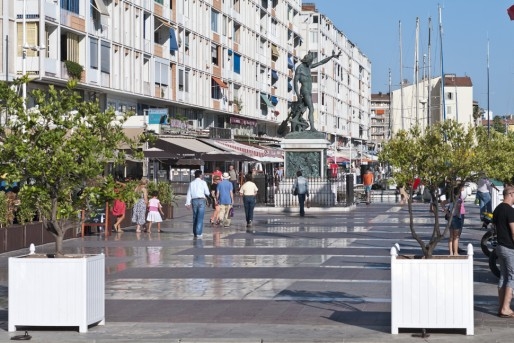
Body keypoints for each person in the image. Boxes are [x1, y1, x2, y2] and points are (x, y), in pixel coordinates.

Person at [294, 51, 340, 131]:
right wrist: (297, 94)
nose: (311, 63)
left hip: (309, 91)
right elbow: (295, 82)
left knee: (302, 109)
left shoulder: (308, 66)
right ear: (307, 61)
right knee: (311, 108)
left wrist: (331, 56)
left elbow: (321, 62)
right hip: (304, 91)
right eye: (310, 61)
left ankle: (296, 121)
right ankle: (312, 127)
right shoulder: (299, 68)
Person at [492, 185, 514, 318]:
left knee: (503, 276)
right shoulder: (510, 211)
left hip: (500, 247)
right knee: (512, 277)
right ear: (511, 194)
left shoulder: (497, 209)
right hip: (509, 248)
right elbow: (513, 232)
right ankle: (506, 308)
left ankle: (501, 307)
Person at [185, 170, 211, 239]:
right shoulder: (203, 182)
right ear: (200, 175)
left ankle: (195, 232)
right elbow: (207, 192)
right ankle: (199, 233)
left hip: (194, 200)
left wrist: (188, 203)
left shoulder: (191, 183)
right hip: (202, 200)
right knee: (200, 217)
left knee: (195, 216)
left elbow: (189, 193)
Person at [446, 184, 467, 256]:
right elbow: (458, 209)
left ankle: (451, 252)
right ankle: (455, 252)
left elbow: (443, 203)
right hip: (456, 218)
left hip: (450, 218)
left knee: (451, 236)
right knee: (456, 237)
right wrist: (458, 215)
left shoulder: (450, 199)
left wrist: (447, 212)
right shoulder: (459, 200)